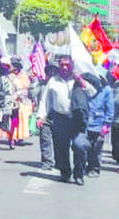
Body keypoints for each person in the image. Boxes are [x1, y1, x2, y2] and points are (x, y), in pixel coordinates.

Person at [36, 55, 94, 185]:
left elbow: (91, 92)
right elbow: (45, 100)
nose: (65, 67)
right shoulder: (53, 81)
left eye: (67, 64)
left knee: (80, 145)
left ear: (72, 65)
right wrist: (41, 116)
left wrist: (80, 80)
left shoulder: (79, 79)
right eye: (62, 65)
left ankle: (79, 173)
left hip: (77, 119)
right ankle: (65, 172)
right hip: (60, 118)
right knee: (61, 147)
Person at [81, 73, 114, 177]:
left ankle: (94, 168)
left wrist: (106, 124)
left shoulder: (107, 90)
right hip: (84, 122)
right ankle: (84, 166)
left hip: (98, 123)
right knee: (83, 147)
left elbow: (110, 109)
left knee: (96, 148)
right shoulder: (84, 87)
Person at [37, 63, 59, 171]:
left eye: (54, 70)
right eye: (50, 70)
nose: (52, 72)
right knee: (45, 139)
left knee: (59, 141)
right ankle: (47, 162)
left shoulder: (62, 83)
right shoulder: (42, 84)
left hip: (59, 116)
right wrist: (40, 116)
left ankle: (60, 161)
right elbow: (42, 100)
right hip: (46, 115)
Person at [9, 58, 32, 147]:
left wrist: (19, 94)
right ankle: (13, 137)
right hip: (13, 101)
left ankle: (20, 137)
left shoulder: (24, 76)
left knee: (22, 119)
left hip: (22, 101)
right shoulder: (11, 76)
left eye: (15, 68)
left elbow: (25, 88)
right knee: (13, 120)